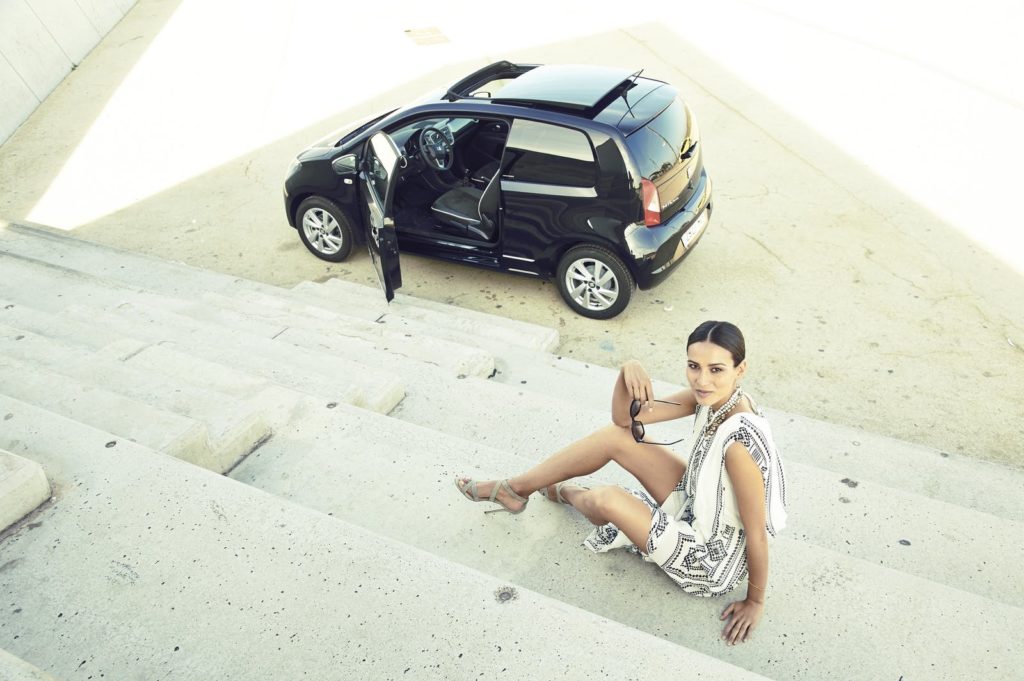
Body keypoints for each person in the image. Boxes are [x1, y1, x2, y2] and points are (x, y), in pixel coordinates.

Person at [456, 320, 788, 645]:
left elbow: (757, 532)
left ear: (740, 369)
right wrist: (626, 370)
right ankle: (515, 489)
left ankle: (571, 493)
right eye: (693, 366)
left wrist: (755, 601)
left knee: (606, 499)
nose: (702, 380)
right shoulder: (710, 397)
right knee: (616, 438)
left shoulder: (738, 445)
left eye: (716, 369)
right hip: (696, 502)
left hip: (709, 557)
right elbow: (623, 420)